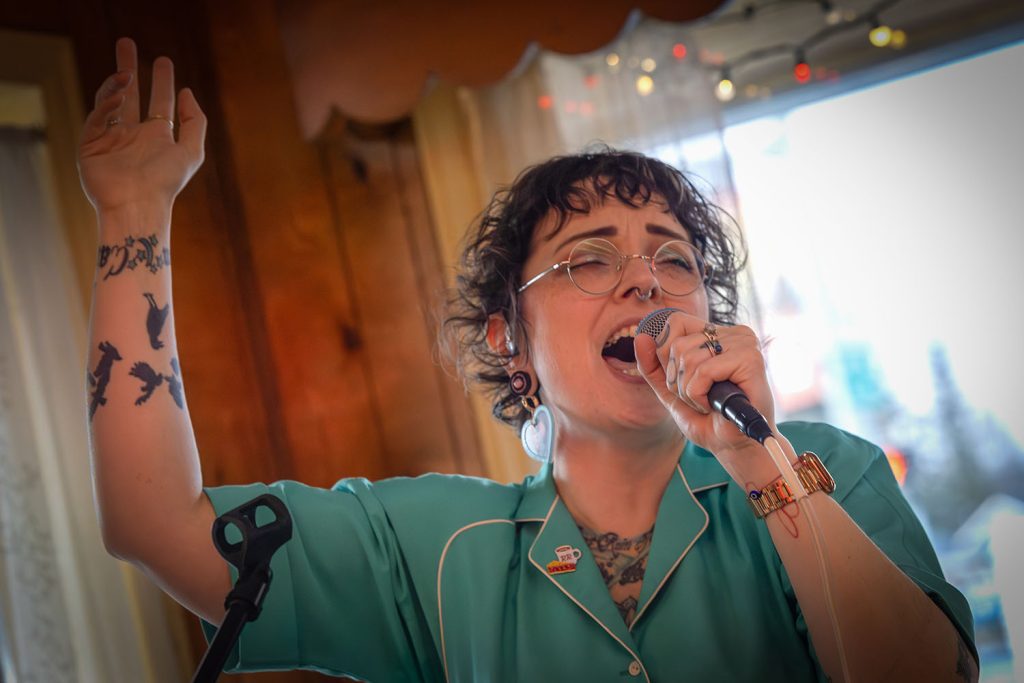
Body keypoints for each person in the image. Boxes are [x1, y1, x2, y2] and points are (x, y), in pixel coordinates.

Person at [80, 38, 979, 682]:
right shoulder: (428, 547)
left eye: (674, 258)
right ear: (509, 336)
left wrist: (762, 463)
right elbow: (155, 523)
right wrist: (130, 214)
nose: (646, 281)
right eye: (591, 257)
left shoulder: (824, 470)